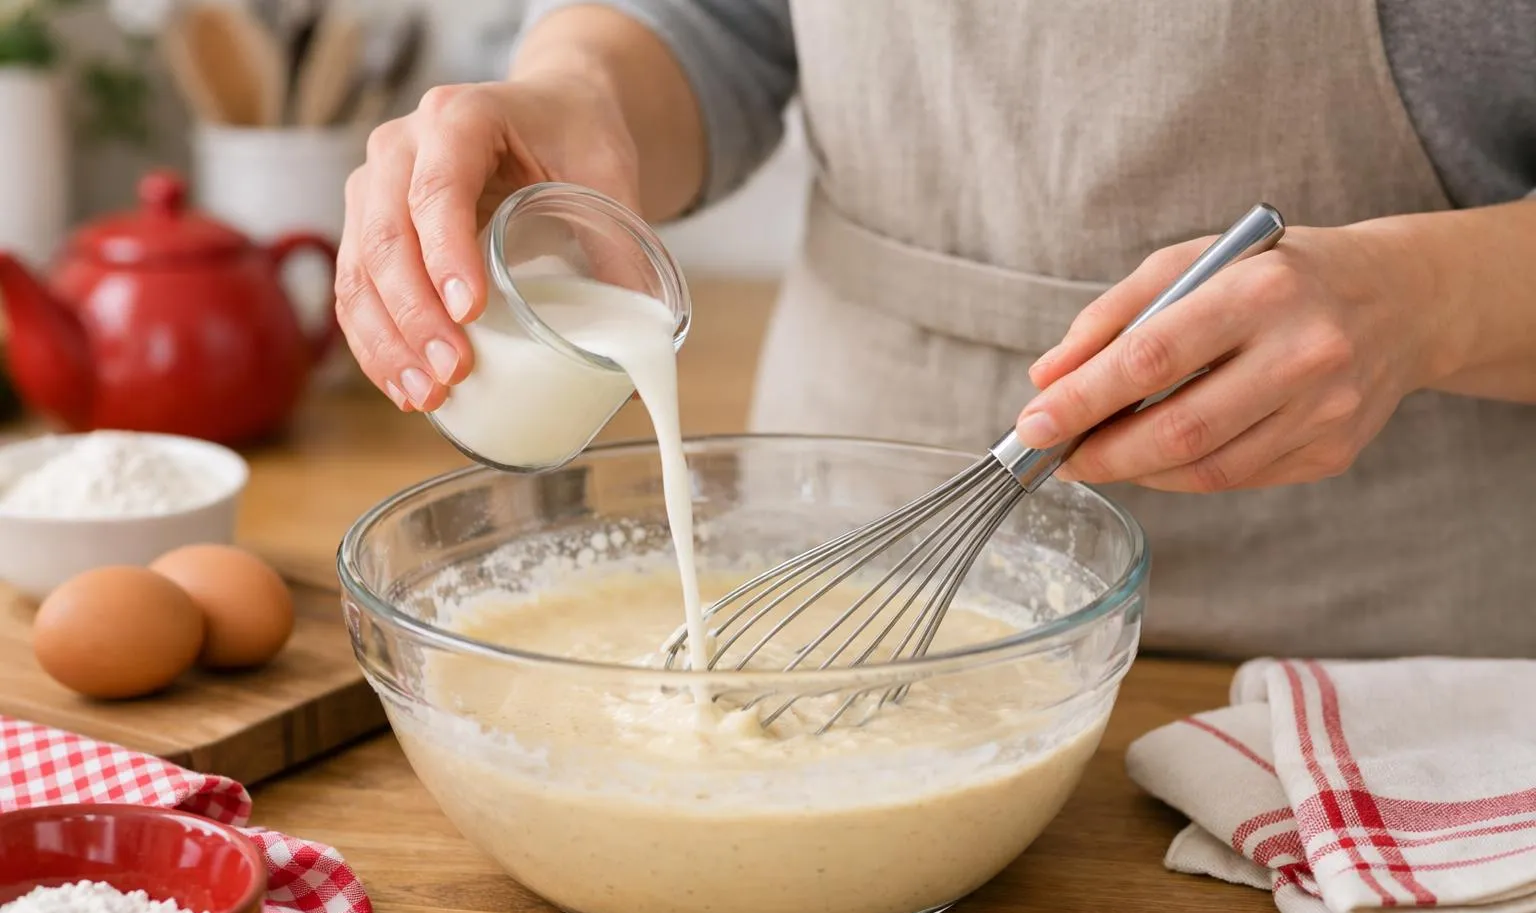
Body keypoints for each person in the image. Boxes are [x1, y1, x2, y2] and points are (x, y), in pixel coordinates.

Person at [334, 1, 1536, 661]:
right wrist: (580, 88)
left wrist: (1423, 300)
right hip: (834, 559)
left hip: (1397, 653)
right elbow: (721, 21)